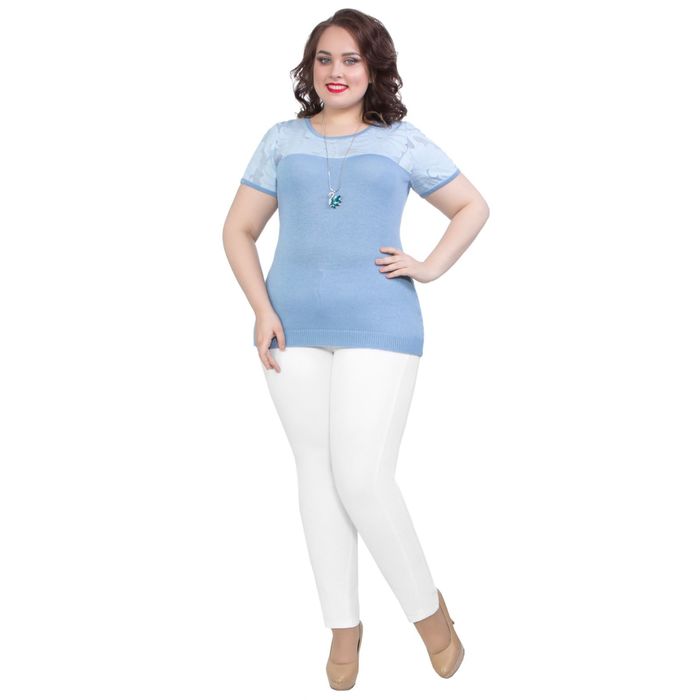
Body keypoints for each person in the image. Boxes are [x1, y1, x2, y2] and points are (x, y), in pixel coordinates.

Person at [222, 8, 489, 690]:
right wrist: (261, 310)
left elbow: (472, 206)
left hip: (380, 323)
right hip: (292, 329)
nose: (336, 72)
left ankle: (429, 614)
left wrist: (429, 266)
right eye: (324, 59)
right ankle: (343, 628)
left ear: (374, 69)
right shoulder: (281, 140)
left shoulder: (401, 141)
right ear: (309, 69)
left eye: (351, 60)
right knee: (316, 475)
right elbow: (238, 230)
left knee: (363, 477)